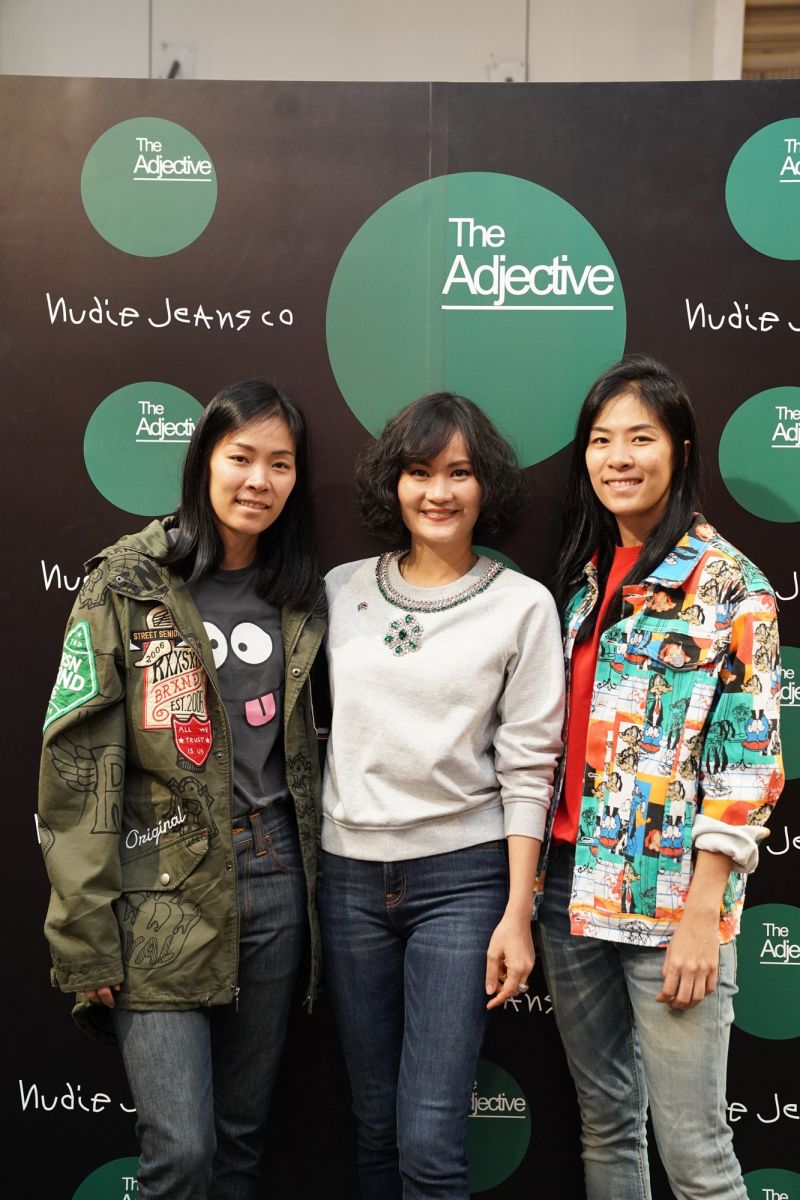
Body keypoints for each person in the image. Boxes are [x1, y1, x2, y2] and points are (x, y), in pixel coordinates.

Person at [38, 380, 326, 1200]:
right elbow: (79, 762)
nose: (259, 480)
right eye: (241, 458)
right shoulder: (128, 582)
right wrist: (83, 932)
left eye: (280, 463)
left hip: (275, 876)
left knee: (239, 1144)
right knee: (183, 1150)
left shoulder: (301, 594)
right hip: (155, 888)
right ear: (204, 461)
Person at [537, 354, 784, 1200]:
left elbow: (747, 763)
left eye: (639, 438)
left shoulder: (730, 586)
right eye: (601, 440)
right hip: (568, 887)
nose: (618, 458)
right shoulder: (583, 581)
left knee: (697, 1157)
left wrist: (702, 915)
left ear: (679, 448)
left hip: (671, 898)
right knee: (607, 1126)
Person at [319, 391, 565, 1200]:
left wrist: (518, 912)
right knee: (374, 1127)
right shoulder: (339, 590)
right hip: (347, 880)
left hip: (463, 882)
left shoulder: (522, 605)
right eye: (420, 472)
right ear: (393, 483)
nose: (439, 492)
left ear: (485, 484)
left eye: (459, 473)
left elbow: (530, 768)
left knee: (429, 1140)